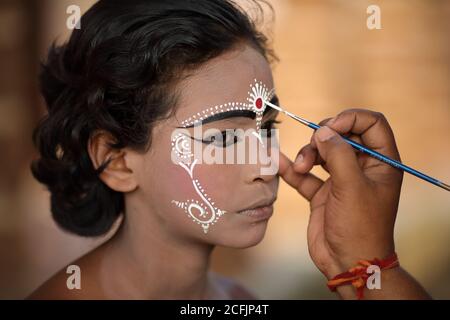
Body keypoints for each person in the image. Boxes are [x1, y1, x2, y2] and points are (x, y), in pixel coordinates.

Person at [29, 0, 430, 299]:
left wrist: (364, 266)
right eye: (223, 139)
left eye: (268, 127)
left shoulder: (239, 302)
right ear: (115, 160)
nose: (268, 165)